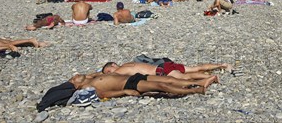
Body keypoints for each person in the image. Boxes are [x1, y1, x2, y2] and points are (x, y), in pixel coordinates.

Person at [68, 72, 216, 98]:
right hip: (129, 84)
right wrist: (125, 92)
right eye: (72, 78)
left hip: (133, 77)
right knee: (162, 87)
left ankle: (198, 82)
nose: (75, 76)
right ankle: (195, 91)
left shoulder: (91, 76)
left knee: (167, 79)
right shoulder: (85, 87)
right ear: (75, 85)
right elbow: (104, 94)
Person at [102, 60, 230, 80]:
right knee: (195, 68)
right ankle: (221, 65)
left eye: (109, 70)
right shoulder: (128, 64)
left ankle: (209, 77)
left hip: (161, 71)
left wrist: (91, 76)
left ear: (114, 64)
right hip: (164, 65)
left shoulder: (121, 70)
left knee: (185, 78)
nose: (110, 73)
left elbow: (107, 78)